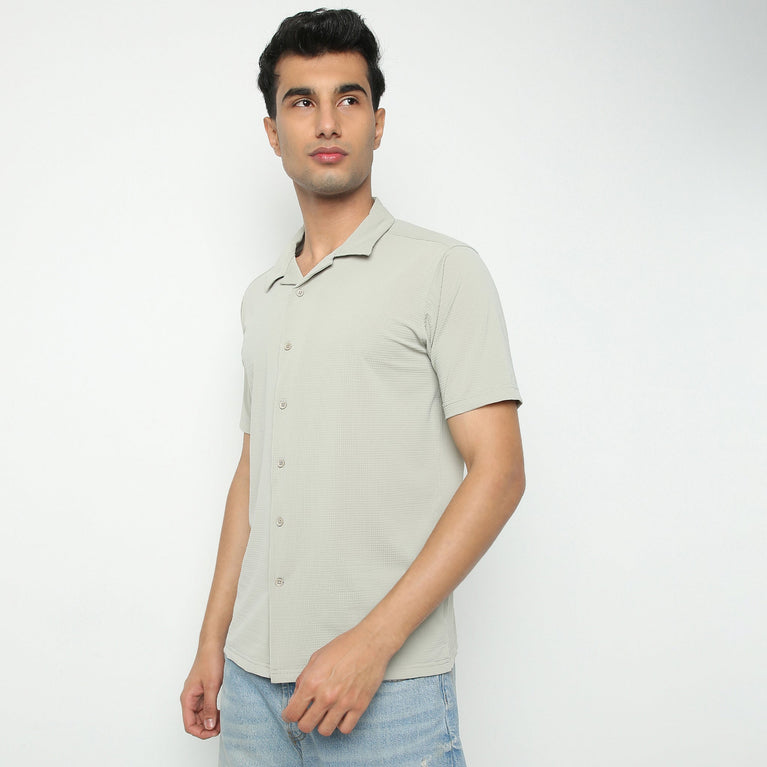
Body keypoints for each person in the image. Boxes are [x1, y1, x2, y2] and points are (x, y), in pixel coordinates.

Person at [181, 8, 525, 766]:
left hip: (388, 690)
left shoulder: (443, 270)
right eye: (301, 101)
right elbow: (254, 472)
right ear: (273, 131)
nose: (327, 121)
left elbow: (499, 471)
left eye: (349, 98)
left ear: (378, 122)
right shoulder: (262, 295)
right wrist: (212, 642)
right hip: (251, 688)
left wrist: (372, 643)